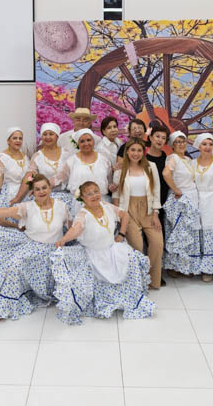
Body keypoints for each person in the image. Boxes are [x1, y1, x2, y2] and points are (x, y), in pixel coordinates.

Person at [52, 181, 155, 324]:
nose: (94, 195)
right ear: (82, 198)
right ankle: (107, 301)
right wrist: (63, 240)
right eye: (89, 194)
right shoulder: (83, 214)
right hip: (94, 253)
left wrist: (122, 234)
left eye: (96, 191)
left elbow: (124, 215)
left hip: (112, 248)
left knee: (132, 258)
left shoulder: (107, 206)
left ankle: (127, 297)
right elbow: (76, 228)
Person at [0, 174, 69, 321]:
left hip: (54, 249)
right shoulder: (28, 207)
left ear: (49, 188)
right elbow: (6, 212)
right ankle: (2, 308)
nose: (41, 191)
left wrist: (67, 243)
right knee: (15, 265)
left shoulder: (61, 205)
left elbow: (70, 227)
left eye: (44, 188)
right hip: (32, 245)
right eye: (37, 189)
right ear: (32, 192)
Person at [163, 132, 213, 281]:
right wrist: (177, 191)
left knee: (190, 233)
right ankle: (176, 266)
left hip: (193, 199)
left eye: (183, 141)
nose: (181, 144)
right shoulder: (173, 158)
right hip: (181, 199)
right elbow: (166, 174)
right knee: (180, 232)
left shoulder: (188, 160)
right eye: (177, 142)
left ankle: (189, 265)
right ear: (172, 145)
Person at [113, 139, 163, 290]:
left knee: (157, 243)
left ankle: (152, 279)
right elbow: (115, 195)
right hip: (129, 211)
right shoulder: (120, 171)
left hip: (148, 210)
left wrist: (155, 213)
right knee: (137, 246)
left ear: (143, 152)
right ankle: (138, 280)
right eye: (132, 150)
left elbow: (156, 190)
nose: (136, 153)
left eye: (139, 150)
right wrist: (120, 216)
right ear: (127, 152)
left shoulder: (151, 167)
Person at [12, 123, 73, 209]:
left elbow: (66, 175)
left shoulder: (66, 154)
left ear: (57, 136)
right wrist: (18, 197)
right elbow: (30, 177)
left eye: (51, 134)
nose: (48, 137)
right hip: (43, 195)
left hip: (65, 195)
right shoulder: (37, 156)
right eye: (45, 134)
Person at [53, 128, 112, 218]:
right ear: (78, 144)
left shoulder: (104, 159)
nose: (86, 143)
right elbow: (58, 179)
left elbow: (110, 181)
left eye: (89, 140)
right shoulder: (71, 161)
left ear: (93, 141)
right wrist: (40, 185)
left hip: (101, 203)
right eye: (82, 141)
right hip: (79, 205)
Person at [0, 127, 30, 215]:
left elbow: (30, 177)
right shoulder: (2, 158)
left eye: (20, 138)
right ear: (8, 141)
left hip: (26, 193)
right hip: (9, 196)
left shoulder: (25, 157)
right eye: (14, 138)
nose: (18, 140)